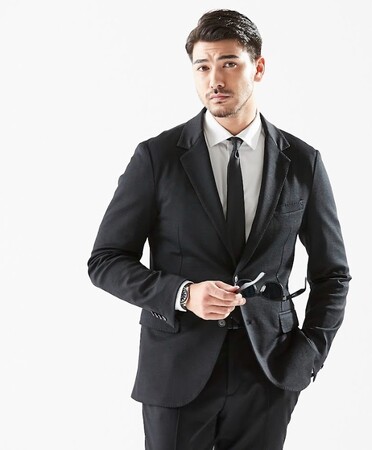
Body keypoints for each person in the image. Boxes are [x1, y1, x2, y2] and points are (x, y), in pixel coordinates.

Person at [88, 9, 351, 450]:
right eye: (203, 66)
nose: (215, 79)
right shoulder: (157, 158)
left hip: (268, 372)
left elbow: (333, 274)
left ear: (258, 67)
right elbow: (105, 261)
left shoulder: (303, 162)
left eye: (229, 63)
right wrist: (183, 294)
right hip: (176, 370)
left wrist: (309, 354)